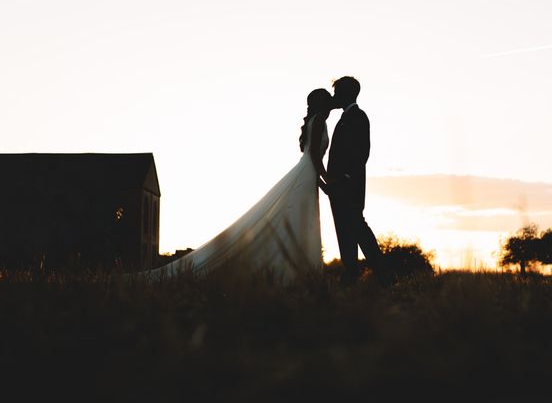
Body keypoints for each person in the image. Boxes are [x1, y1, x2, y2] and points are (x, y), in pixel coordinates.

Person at [143, 88, 333, 283]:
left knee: (301, 218)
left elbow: (309, 154)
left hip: (308, 175)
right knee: (298, 217)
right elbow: (313, 156)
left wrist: (321, 180)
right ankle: (294, 272)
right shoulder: (319, 120)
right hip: (308, 174)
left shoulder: (313, 120)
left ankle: (299, 271)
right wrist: (328, 181)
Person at [322, 76, 390, 286]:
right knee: (344, 230)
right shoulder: (344, 118)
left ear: (346, 94)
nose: (334, 97)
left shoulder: (358, 117)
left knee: (358, 228)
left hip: (349, 186)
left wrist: (345, 178)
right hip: (337, 185)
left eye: (336, 93)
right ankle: (350, 274)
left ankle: (384, 275)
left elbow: (362, 153)